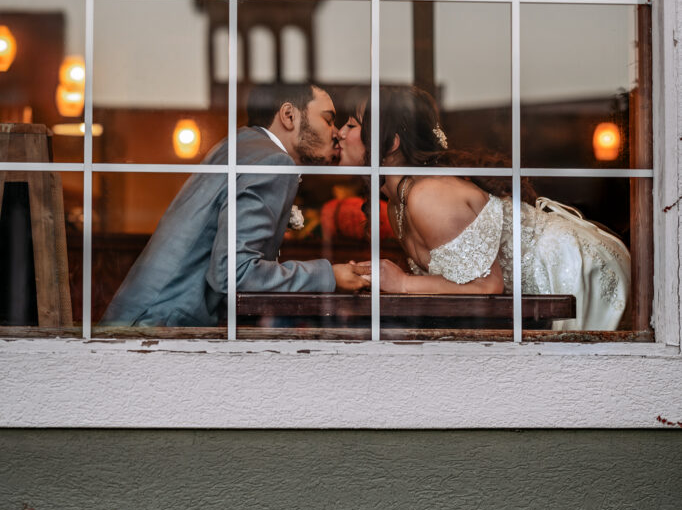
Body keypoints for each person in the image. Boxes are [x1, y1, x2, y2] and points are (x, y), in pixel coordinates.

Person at [337, 86, 630, 331]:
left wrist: (401, 282)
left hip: (573, 266)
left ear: (390, 145)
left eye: (351, 125)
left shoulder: (426, 195)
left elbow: (487, 287)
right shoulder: (397, 203)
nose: (338, 132)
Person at [101, 82, 369, 327]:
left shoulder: (238, 146)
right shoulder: (273, 162)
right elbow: (234, 273)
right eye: (328, 119)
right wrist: (328, 275)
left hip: (139, 318)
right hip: (159, 327)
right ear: (289, 116)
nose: (336, 133)